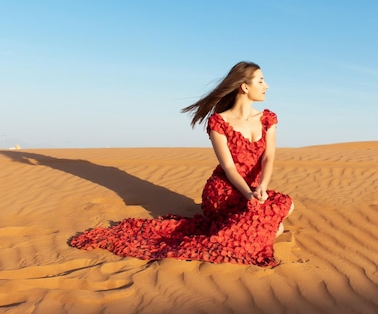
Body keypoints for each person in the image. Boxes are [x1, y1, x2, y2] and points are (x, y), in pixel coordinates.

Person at [69, 61, 293, 266]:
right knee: (277, 227)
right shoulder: (219, 122)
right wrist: (248, 195)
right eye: (261, 81)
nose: (267, 86)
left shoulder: (267, 119)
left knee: (287, 205)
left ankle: (248, 221)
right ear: (244, 87)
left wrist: (261, 187)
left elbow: (268, 157)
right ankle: (237, 225)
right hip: (226, 191)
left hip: (255, 189)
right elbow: (229, 167)